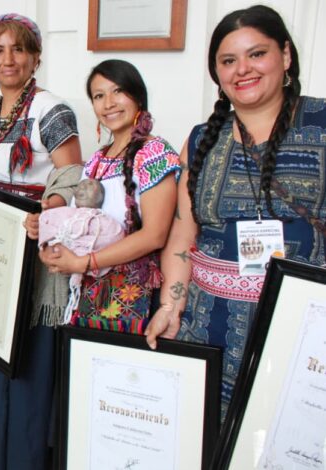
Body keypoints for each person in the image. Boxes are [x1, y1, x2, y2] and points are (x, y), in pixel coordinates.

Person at [145, 5, 326, 418]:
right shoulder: (203, 138)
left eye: (256, 54)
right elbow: (181, 235)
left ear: (285, 55)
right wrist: (171, 307)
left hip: (301, 334)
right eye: (228, 61)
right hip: (209, 329)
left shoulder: (321, 121)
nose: (242, 69)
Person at [0, 14, 83, 470]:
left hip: (32, 246)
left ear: (36, 57)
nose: (9, 59)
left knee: (26, 355)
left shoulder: (52, 109)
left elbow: (73, 177)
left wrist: (49, 208)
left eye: (19, 49)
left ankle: (22, 457)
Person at [40, 59, 180, 334]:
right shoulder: (96, 160)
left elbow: (154, 235)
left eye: (118, 92)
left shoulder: (155, 154)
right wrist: (50, 243)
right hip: (90, 293)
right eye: (99, 96)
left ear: (138, 96)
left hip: (134, 294)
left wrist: (85, 262)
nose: (109, 103)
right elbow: (75, 221)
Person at [38, 179, 125, 322]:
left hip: (104, 279)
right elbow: (46, 222)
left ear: (101, 197)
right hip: (63, 272)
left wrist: (80, 256)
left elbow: (116, 236)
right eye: (81, 184)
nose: (83, 186)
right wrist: (47, 247)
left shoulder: (103, 221)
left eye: (90, 185)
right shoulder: (63, 213)